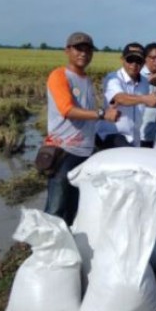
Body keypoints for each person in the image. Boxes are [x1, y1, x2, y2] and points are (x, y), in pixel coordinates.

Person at [43, 32, 119, 226]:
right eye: (78, 49)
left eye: (88, 49)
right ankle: (44, 251)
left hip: (84, 154)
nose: (83, 53)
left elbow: (87, 119)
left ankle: (66, 248)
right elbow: (67, 110)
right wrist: (102, 114)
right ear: (67, 50)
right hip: (64, 152)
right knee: (56, 208)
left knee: (74, 207)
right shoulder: (59, 75)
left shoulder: (86, 80)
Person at [96, 42, 156, 149]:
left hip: (134, 138)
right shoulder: (113, 78)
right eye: (130, 60)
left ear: (143, 63)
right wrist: (144, 99)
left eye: (138, 61)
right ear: (122, 60)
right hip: (112, 135)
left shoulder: (144, 82)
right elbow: (120, 98)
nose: (134, 64)